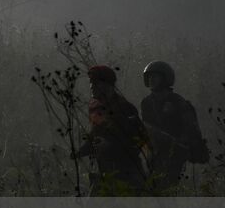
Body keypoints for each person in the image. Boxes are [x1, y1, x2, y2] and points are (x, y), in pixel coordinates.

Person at [71, 65, 148, 195]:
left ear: (107, 85)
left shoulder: (124, 107)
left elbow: (139, 139)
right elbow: (96, 134)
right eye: (91, 83)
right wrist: (81, 151)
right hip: (104, 170)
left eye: (95, 83)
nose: (91, 86)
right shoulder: (97, 109)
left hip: (127, 172)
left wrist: (111, 145)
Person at [140, 60, 208, 192]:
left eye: (155, 76)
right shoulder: (146, 103)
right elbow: (146, 127)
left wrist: (178, 143)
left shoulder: (178, 102)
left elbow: (191, 130)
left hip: (174, 153)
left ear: (165, 78)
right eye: (149, 77)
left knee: (167, 189)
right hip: (153, 153)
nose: (151, 79)